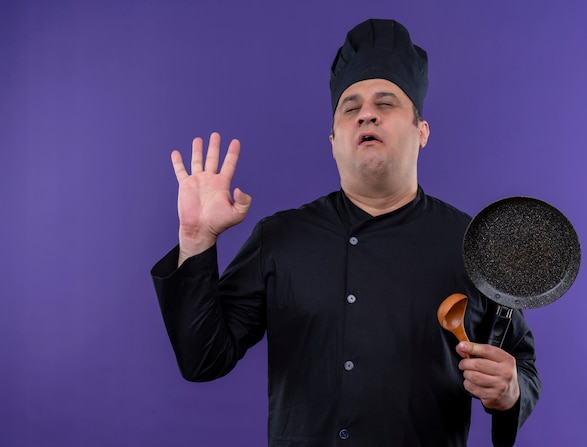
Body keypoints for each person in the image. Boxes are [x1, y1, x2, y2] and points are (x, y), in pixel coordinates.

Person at [151, 18, 541, 447]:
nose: (366, 114)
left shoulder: (473, 243)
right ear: (334, 138)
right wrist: (196, 240)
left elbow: (519, 362)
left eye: (386, 103)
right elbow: (203, 359)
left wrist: (510, 390)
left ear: (421, 132)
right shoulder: (280, 238)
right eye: (350, 107)